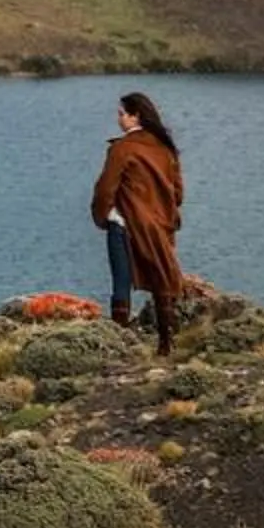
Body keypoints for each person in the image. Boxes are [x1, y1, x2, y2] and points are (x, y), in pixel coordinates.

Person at [92, 91, 186, 356]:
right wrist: (161, 213)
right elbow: (177, 192)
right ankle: (166, 344)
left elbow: (105, 189)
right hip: (158, 225)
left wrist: (103, 216)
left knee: (121, 283)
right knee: (161, 281)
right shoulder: (165, 148)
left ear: (136, 116)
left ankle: (119, 347)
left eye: (122, 114)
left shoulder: (122, 149)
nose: (118, 119)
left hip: (125, 223)